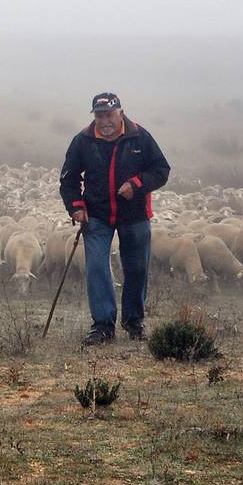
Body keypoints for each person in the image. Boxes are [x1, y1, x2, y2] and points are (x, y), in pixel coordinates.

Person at [59, 92, 171, 345]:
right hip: (96, 215)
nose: (105, 120)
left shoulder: (140, 136)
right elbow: (68, 178)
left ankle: (134, 322)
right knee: (97, 268)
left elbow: (161, 170)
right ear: (94, 116)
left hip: (134, 215)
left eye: (109, 114)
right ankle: (103, 325)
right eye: (99, 115)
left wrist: (137, 184)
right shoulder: (83, 141)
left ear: (120, 112)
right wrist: (76, 206)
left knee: (136, 269)